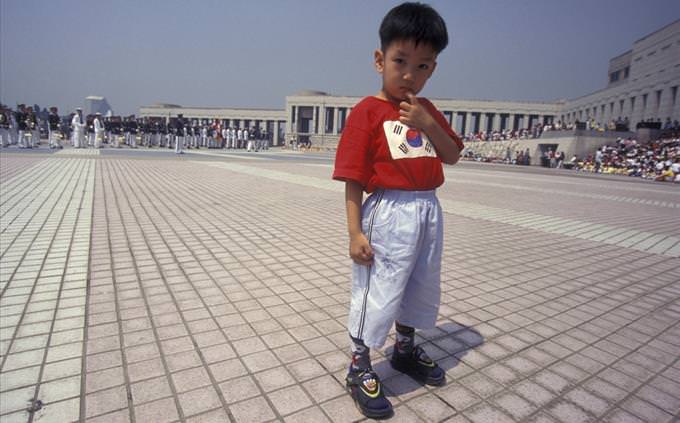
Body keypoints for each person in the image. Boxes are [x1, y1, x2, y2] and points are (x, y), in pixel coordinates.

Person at [332, 3, 463, 418]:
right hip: (387, 212)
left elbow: (452, 156)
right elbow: (353, 178)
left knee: (420, 283)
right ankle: (359, 365)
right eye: (400, 61)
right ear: (379, 60)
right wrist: (355, 233)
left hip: (428, 210)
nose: (410, 74)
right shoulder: (366, 113)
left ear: (433, 69)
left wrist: (428, 123)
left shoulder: (427, 111)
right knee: (380, 289)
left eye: (422, 66)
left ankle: (404, 348)